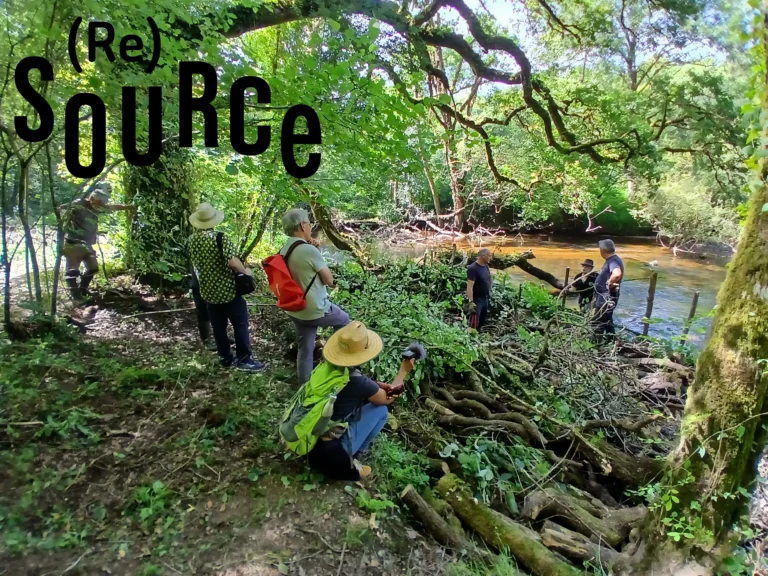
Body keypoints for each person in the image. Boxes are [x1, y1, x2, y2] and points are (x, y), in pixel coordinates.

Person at [306, 321, 414, 480]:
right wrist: (403, 371)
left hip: (310, 441)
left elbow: (354, 384)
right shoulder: (359, 383)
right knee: (382, 410)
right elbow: (389, 398)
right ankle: (354, 457)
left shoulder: (327, 366)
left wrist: (374, 385)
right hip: (330, 456)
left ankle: (351, 450)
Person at [188, 202, 265, 372]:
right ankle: (244, 359)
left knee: (218, 327)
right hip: (228, 291)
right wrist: (246, 272)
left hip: (208, 292)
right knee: (240, 324)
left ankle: (225, 358)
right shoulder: (220, 238)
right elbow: (232, 261)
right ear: (214, 221)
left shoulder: (192, 240)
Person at [279, 208, 350, 385]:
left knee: (306, 348)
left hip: (296, 309)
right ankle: (335, 366)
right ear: (303, 226)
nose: (311, 226)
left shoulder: (285, 248)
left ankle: (305, 387)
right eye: (309, 223)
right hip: (315, 309)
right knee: (344, 320)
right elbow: (328, 280)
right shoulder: (308, 251)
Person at [59, 183, 134, 303]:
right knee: (72, 271)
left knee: (93, 268)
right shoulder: (78, 204)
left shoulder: (97, 207)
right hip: (73, 242)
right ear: (92, 199)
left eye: (102, 203)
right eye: (100, 202)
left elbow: (112, 207)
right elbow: (62, 208)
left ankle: (83, 289)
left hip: (87, 244)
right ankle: (76, 297)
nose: (101, 205)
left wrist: (129, 207)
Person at [592, 239, 624, 337]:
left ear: (603, 251)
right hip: (607, 297)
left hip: (606, 298)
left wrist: (609, 282)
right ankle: (612, 341)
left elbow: (617, 274)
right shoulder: (613, 259)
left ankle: (596, 343)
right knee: (607, 320)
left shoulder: (613, 261)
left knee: (597, 322)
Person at [465, 248, 493, 329]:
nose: (491, 258)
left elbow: (489, 277)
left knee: (482, 320)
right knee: (474, 321)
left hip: (485, 298)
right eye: (489, 256)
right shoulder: (473, 268)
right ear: (483, 256)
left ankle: (477, 333)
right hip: (477, 299)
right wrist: (471, 301)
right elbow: (470, 286)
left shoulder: (486, 266)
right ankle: (470, 337)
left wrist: (490, 289)